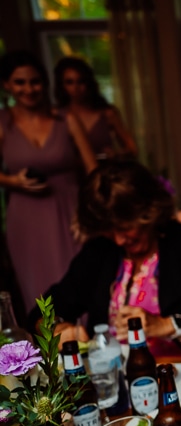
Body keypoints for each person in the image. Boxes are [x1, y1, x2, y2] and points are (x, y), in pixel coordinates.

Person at [31, 160, 181, 358]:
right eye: (109, 231)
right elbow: (40, 313)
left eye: (125, 228)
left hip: (178, 372)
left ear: (148, 212)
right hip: (113, 377)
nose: (119, 240)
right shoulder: (99, 252)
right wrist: (59, 329)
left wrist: (164, 325)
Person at [0, 50, 96, 313]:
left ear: (45, 83)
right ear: (7, 85)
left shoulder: (66, 119)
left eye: (35, 81)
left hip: (71, 210)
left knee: (83, 279)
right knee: (40, 290)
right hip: (27, 217)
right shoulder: (3, 123)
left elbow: (93, 170)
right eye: (20, 82)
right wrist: (10, 181)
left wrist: (87, 212)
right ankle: (52, 350)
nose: (28, 89)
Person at [53, 56, 137, 159]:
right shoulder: (57, 116)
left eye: (81, 81)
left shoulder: (106, 113)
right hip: (72, 173)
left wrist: (117, 153)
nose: (76, 87)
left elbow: (132, 147)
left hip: (103, 169)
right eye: (69, 82)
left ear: (89, 83)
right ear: (62, 85)